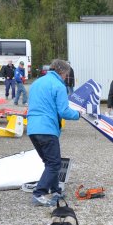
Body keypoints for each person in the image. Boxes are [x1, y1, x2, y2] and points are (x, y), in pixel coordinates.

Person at [26, 59, 80, 206]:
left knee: (50, 162)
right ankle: (39, 193)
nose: (66, 77)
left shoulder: (36, 83)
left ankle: (56, 190)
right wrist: (78, 114)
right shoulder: (58, 85)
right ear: (62, 72)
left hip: (32, 128)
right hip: (47, 128)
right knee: (55, 163)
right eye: (66, 74)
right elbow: (64, 111)